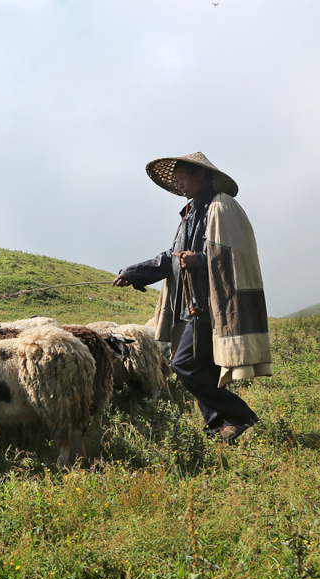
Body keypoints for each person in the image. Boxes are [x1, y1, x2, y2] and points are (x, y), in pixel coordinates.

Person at [113, 152, 272, 443]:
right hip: (191, 305)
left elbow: (235, 253)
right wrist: (133, 273)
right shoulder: (190, 214)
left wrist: (199, 259)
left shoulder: (222, 208)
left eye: (184, 177)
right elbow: (172, 259)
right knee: (203, 370)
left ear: (202, 175)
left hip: (211, 306)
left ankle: (238, 415)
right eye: (177, 179)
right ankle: (218, 428)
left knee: (183, 365)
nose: (180, 183)